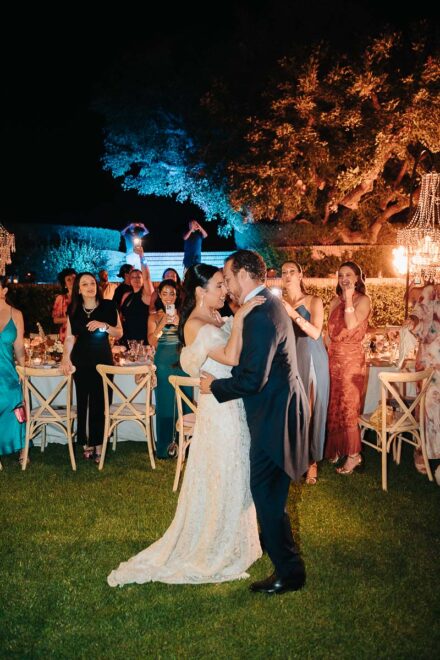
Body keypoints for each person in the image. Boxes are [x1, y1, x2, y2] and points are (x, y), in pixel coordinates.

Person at [107, 264, 264, 587]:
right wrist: (243, 317)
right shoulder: (196, 324)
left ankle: (232, 537)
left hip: (228, 401)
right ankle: (213, 544)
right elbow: (233, 357)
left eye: (224, 285)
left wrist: (234, 319)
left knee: (231, 469)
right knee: (223, 468)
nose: (225, 291)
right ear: (200, 292)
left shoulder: (215, 318)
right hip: (219, 409)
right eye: (219, 286)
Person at [200, 250, 310, 595]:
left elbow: (252, 379)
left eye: (229, 277)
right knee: (270, 496)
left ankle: (289, 572)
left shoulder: (262, 313)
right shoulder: (265, 305)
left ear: (245, 274)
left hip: (274, 416)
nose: (228, 285)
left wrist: (213, 386)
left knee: (266, 496)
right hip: (279, 410)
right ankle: (285, 560)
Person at [61, 273, 123, 463]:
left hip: (102, 358)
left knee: (101, 401)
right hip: (81, 359)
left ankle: (99, 443)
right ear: (78, 289)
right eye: (84, 284)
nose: (90, 286)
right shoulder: (74, 310)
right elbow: (70, 337)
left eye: (92, 283)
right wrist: (65, 357)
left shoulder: (108, 306)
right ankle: (86, 441)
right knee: (84, 402)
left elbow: (119, 331)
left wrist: (103, 325)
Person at [281, 261, 329, 485]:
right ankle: (295, 459)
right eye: (284, 272)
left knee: (310, 408)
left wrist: (292, 314)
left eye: (292, 271)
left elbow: (316, 333)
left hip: (311, 356)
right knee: (293, 410)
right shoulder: (279, 303)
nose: (288, 275)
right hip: (290, 359)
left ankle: (312, 462)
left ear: (301, 274)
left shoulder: (313, 301)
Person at [325, 261, 371, 474]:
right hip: (332, 358)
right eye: (341, 274)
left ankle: (354, 455)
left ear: (357, 278)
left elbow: (351, 324)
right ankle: (336, 447)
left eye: (349, 275)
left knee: (348, 406)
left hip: (352, 360)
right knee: (333, 404)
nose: (344, 278)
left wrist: (350, 297)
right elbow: (328, 333)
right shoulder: (334, 301)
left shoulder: (364, 300)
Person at [403, 282, 440, 481]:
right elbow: (419, 312)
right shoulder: (430, 291)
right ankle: (422, 451)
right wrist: (412, 321)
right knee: (428, 409)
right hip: (431, 363)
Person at [147, 279, 188, 458]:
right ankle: (164, 447)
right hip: (163, 361)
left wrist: (180, 323)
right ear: (160, 296)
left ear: (177, 295)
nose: (169, 297)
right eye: (165, 293)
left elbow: (190, 339)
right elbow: (151, 341)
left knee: (185, 400)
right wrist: (162, 323)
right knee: (165, 403)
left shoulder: (185, 315)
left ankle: (184, 446)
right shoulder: (154, 317)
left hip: (183, 361)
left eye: (172, 293)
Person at [0, 277, 27, 466]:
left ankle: (22, 448)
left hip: (7, 370)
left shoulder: (15, 314)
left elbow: (19, 350)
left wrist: (23, 371)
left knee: (13, 398)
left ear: (4, 291)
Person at [120, 247, 154, 346]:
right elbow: (122, 316)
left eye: (139, 277)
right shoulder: (126, 296)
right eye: (133, 277)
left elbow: (147, 277)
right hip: (127, 339)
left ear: (142, 279)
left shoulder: (146, 294)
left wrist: (141, 256)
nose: (136, 279)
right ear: (129, 280)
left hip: (142, 340)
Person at [52, 268, 77, 342]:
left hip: (83, 335)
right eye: (68, 280)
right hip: (66, 336)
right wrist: (70, 319)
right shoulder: (61, 299)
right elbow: (55, 320)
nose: (72, 281)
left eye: (74, 278)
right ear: (65, 284)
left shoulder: (84, 297)